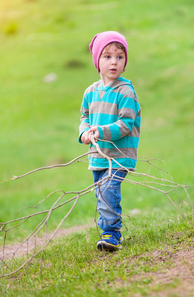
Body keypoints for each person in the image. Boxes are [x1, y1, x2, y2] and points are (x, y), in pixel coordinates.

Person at [78, 31, 141, 252]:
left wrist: (101, 131)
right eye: (107, 57)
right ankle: (107, 230)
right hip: (98, 154)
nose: (114, 62)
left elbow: (126, 123)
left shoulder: (126, 92)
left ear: (125, 62)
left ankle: (111, 234)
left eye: (119, 57)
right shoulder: (90, 92)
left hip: (120, 154)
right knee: (101, 192)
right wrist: (85, 133)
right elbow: (84, 118)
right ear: (97, 61)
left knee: (108, 189)